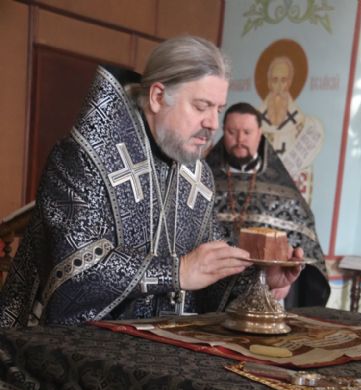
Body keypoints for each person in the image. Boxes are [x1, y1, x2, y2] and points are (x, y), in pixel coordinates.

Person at [0, 36, 302, 328]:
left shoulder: (196, 174)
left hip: (166, 345)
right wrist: (177, 271)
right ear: (158, 97)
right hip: (76, 349)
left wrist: (258, 279)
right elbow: (73, 272)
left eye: (218, 109)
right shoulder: (84, 158)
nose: (213, 123)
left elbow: (207, 270)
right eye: (201, 106)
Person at [206, 102, 330, 308]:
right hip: (212, 285)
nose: (240, 139)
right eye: (232, 132)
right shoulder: (205, 179)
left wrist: (289, 278)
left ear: (260, 133)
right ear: (223, 130)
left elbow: (304, 246)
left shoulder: (283, 188)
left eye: (247, 132)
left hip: (269, 290)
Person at [259, 55, 324, 205]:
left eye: (283, 80)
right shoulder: (254, 123)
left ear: (289, 83)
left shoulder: (303, 124)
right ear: (268, 83)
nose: (279, 87)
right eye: (275, 80)